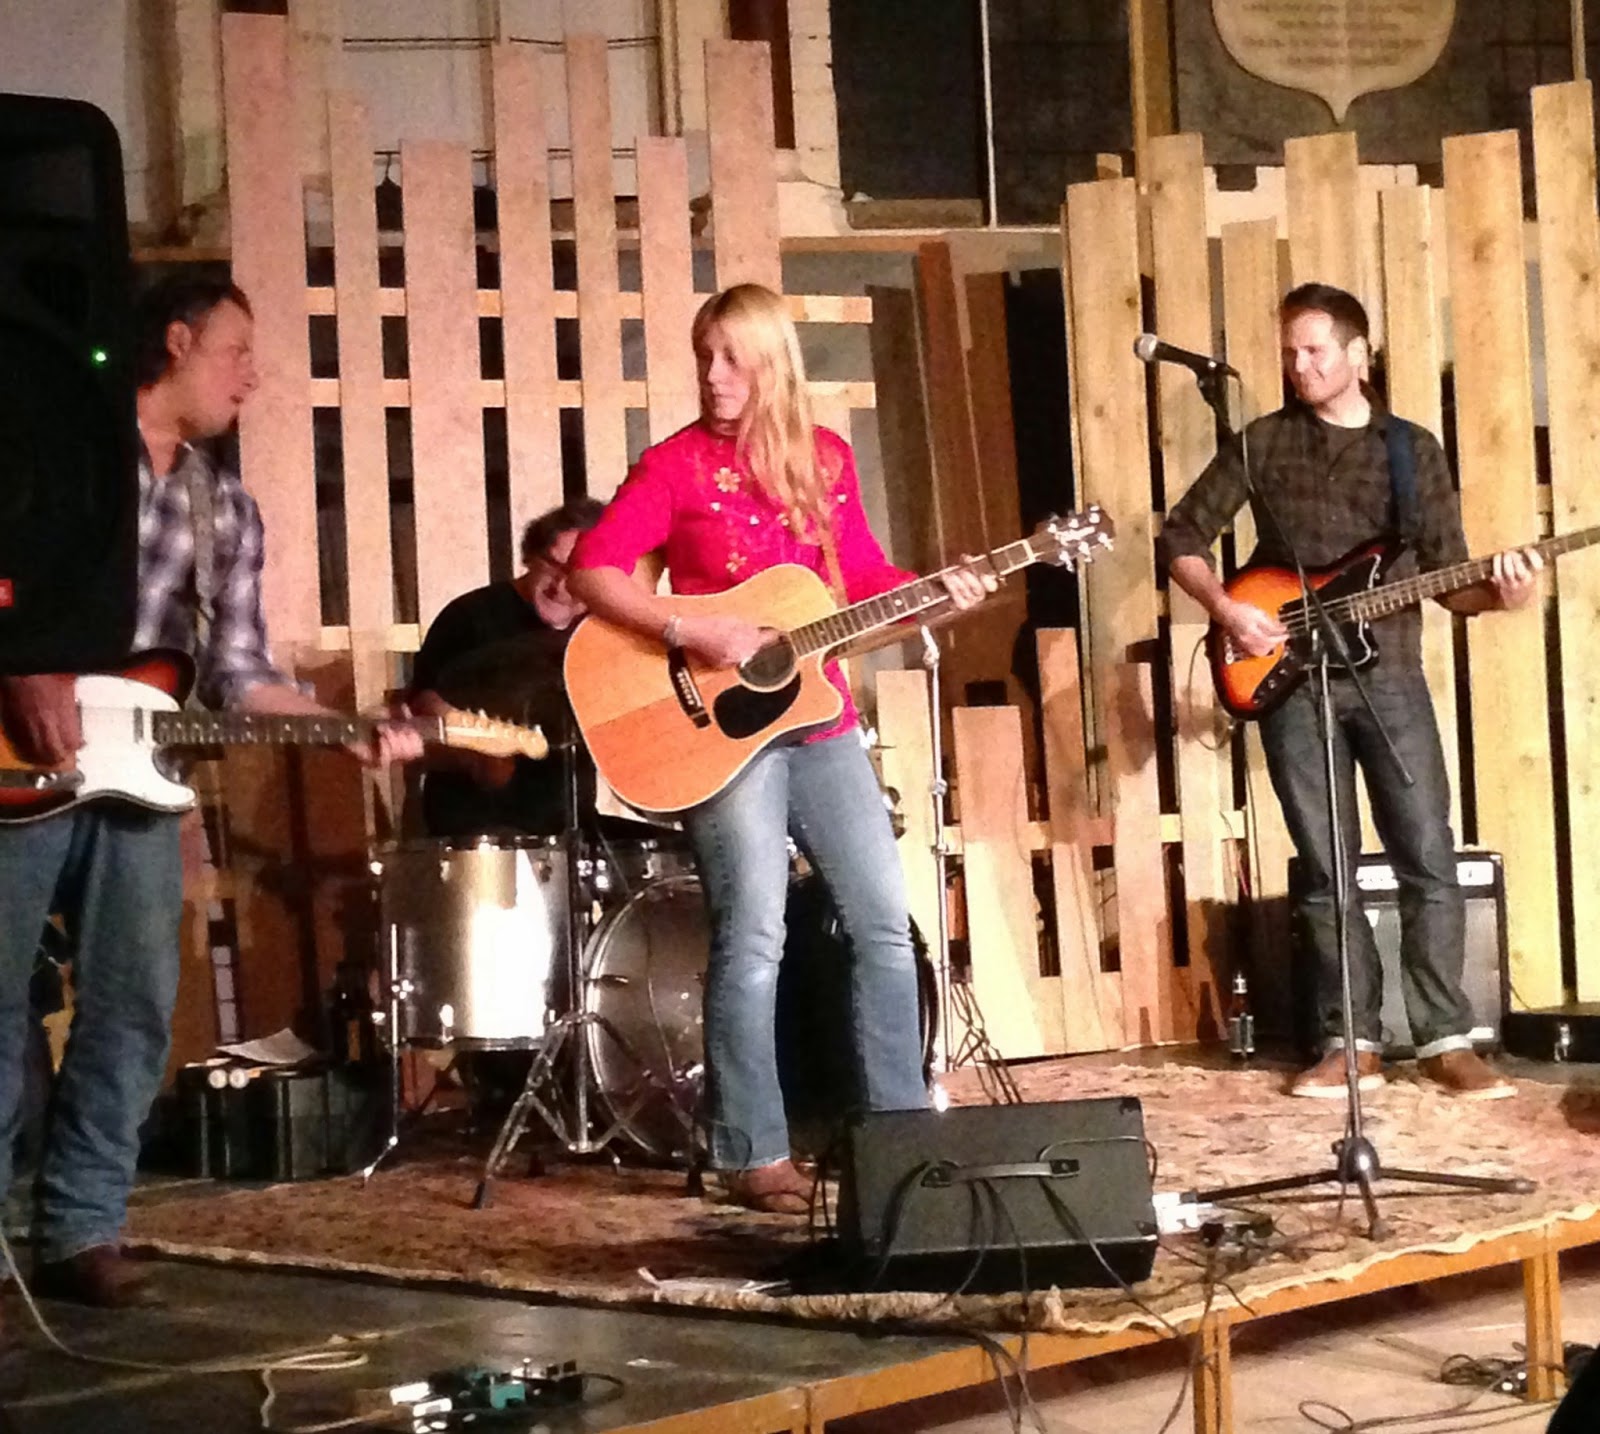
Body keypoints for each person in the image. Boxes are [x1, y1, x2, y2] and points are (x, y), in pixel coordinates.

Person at [0, 274, 418, 1315]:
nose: (252, 376)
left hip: (140, 783)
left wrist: (339, 728)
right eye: (236, 352)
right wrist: (22, 667)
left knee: (134, 1003)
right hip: (18, 761)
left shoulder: (223, 506)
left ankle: (82, 1230)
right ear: (178, 342)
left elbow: (235, 671)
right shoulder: (51, 455)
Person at [568, 283, 992, 1213]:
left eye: (733, 358)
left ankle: (900, 1134)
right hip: (722, 733)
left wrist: (938, 592)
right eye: (705, 356)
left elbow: (862, 579)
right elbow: (592, 570)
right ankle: (751, 1150)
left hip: (821, 718)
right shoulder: (674, 467)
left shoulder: (824, 460)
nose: (714, 376)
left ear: (773, 363)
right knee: (754, 933)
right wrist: (690, 628)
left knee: (883, 924)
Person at [1156, 282, 1540, 1101]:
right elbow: (1182, 534)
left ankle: (1445, 1037)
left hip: (1390, 677)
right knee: (1327, 867)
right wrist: (1228, 610)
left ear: (1359, 356)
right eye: (1290, 352)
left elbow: (1449, 579)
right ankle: (1350, 1040)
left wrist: (1503, 593)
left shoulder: (1411, 450)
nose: (1299, 366)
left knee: (1426, 854)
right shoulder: (1263, 442)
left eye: (1315, 350)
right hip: (1292, 684)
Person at [407, 499, 603, 838]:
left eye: (579, 576)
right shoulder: (469, 616)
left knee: (678, 851)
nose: (561, 587)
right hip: (477, 828)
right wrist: (474, 757)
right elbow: (424, 713)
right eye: (553, 566)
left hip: (574, 823)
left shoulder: (603, 634)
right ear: (530, 556)